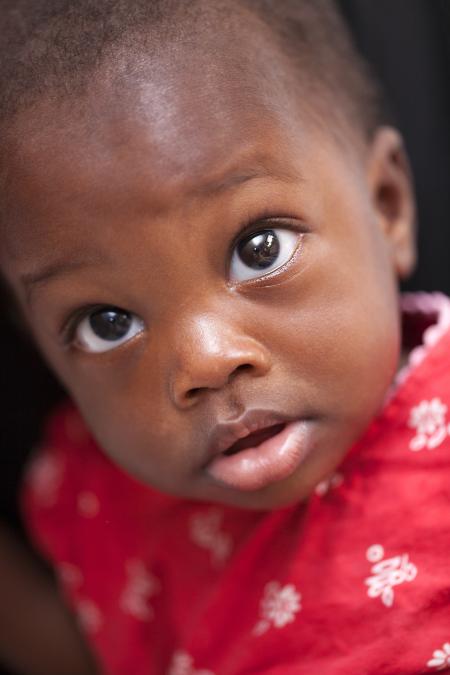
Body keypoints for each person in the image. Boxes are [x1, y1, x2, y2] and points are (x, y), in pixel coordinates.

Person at [0, 0, 449, 673]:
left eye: (259, 249)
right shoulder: (103, 504)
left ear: (386, 205)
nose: (205, 360)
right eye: (107, 323)